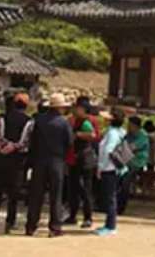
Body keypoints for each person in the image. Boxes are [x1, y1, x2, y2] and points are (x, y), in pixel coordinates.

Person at [25, 93, 73, 237]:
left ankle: (31, 226)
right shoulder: (63, 123)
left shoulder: (39, 120)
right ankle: (55, 227)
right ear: (60, 108)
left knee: (36, 195)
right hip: (56, 161)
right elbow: (69, 142)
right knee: (55, 196)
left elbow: (32, 141)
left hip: (39, 160)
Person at [0, 92, 32, 234]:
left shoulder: (2, 119)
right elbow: (27, 142)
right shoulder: (29, 122)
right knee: (14, 194)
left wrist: (4, 147)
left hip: (0, 158)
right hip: (17, 161)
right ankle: (10, 223)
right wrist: (14, 146)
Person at [64, 97, 99, 228]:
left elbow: (95, 136)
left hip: (86, 157)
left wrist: (79, 135)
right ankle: (72, 215)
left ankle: (87, 216)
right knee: (73, 188)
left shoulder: (91, 121)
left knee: (86, 188)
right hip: (73, 157)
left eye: (77, 107)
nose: (75, 109)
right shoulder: (71, 120)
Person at [95, 107, 129, 236]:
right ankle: (108, 224)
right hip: (113, 169)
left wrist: (100, 167)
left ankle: (111, 226)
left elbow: (108, 151)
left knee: (110, 198)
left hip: (110, 169)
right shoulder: (118, 132)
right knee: (110, 197)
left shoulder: (112, 133)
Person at [118, 114, 150, 214]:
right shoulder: (128, 135)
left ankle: (121, 208)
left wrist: (122, 150)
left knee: (125, 183)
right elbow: (121, 146)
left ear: (136, 126)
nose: (128, 127)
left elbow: (131, 147)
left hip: (136, 163)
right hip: (125, 162)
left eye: (130, 125)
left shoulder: (142, 135)